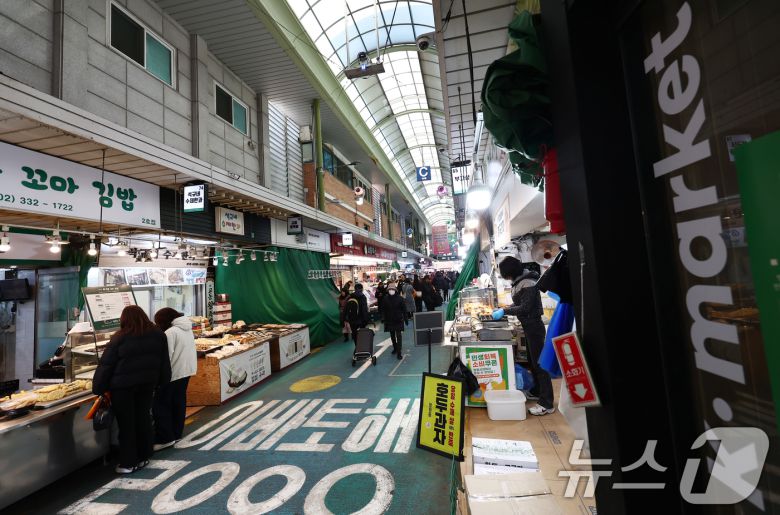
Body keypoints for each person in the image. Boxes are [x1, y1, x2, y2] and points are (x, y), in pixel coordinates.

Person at [92, 306, 171, 474]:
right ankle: (143, 457)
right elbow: (164, 361)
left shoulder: (120, 337)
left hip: (123, 388)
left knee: (126, 424)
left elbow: (106, 365)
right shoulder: (158, 334)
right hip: (147, 384)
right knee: (143, 419)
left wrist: (98, 388)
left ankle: (128, 463)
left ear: (124, 319)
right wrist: (163, 381)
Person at [492, 257, 554, 416]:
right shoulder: (520, 281)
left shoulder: (528, 282)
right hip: (528, 325)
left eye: (505, 273)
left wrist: (505, 311)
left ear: (510, 272)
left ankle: (547, 403)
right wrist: (506, 308)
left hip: (534, 326)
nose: (505, 277)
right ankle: (537, 391)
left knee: (540, 364)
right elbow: (520, 303)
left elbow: (526, 308)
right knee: (533, 362)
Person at [152, 308, 197, 450]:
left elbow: (166, 357)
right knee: (178, 402)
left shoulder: (170, 332)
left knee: (161, 405)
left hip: (173, 373)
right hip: (186, 371)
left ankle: (165, 438)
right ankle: (176, 433)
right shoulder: (186, 328)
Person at [382, 283, 406, 359]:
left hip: (398, 319)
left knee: (399, 336)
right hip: (389, 320)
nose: (391, 290)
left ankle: (399, 352)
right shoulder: (385, 298)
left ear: (395, 290)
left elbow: (404, 309)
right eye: (390, 289)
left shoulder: (400, 298)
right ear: (388, 290)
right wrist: (383, 318)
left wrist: (406, 319)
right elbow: (383, 309)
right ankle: (395, 348)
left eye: (392, 289)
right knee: (392, 336)